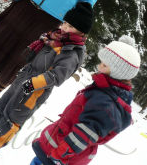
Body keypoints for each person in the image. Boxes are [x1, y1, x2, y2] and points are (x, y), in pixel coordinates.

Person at [0, 2, 93, 153]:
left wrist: (32, 84)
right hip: (26, 76)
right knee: (5, 101)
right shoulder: (55, 38)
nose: (64, 27)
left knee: (16, 113)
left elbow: (57, 76)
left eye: (70, 26)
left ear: (81, 32)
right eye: (65, 23)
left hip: (36, 88)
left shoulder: (72, 52)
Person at [30, 35, 140, 165]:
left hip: (57, 157)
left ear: (118, 72)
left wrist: (60, 155)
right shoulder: (104, 91)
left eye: (104, 65)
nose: (99, 67)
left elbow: (85, 134)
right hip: (54, 148)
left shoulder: (105, 101)